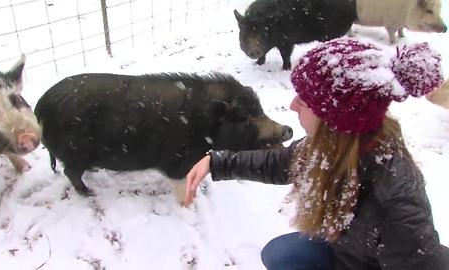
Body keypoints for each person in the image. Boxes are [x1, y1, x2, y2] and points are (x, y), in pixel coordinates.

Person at [184, 38, 449, 270]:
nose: (292, 105)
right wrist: (218, 163)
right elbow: (286, 161)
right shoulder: (334, 146)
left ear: (334, 118)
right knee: (280, 253)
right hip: (347, 255)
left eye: (304, 100)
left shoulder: (397, 208)